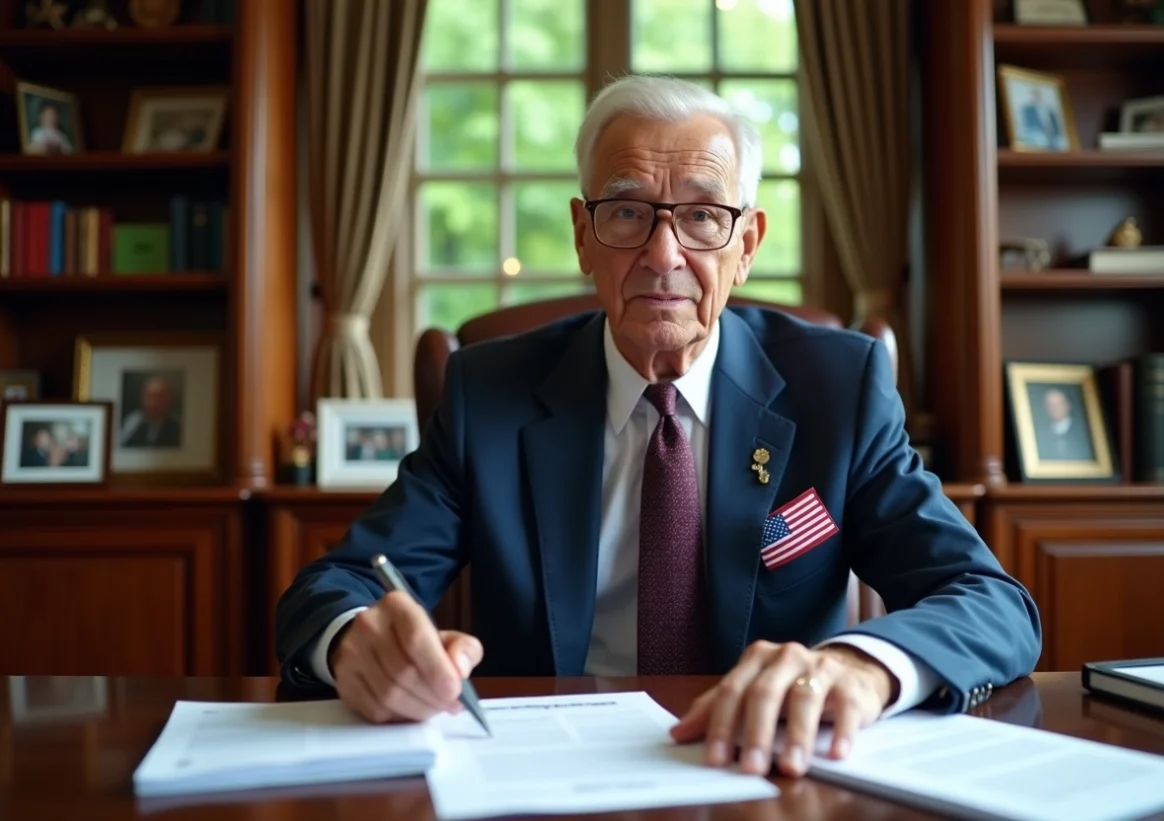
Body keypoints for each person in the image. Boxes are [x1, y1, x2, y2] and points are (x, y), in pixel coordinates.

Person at [276, 75, 1041, 778]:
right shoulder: (490, 393)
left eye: (704, 215)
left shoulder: (837, 387)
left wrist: (864, 665)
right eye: (627, 213)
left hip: (768, 767)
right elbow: (335, 585)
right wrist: (353, 642)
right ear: (583, 235)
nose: (662, 253)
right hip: (545, 771)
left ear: (746, 245)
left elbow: (990, 599)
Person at [120, 376, 182, 448]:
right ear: (142, 398)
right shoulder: (130, 422)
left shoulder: (177, 427)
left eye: (159, 397)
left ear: (169, 399)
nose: (153, 402)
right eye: (149, 396)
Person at [1033, 386, 1094, 461]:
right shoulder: (1040, 434)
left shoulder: (1084, 431)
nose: (1054, 408)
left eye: (1058, 404)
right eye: (1050, 405)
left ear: (1067, 405)